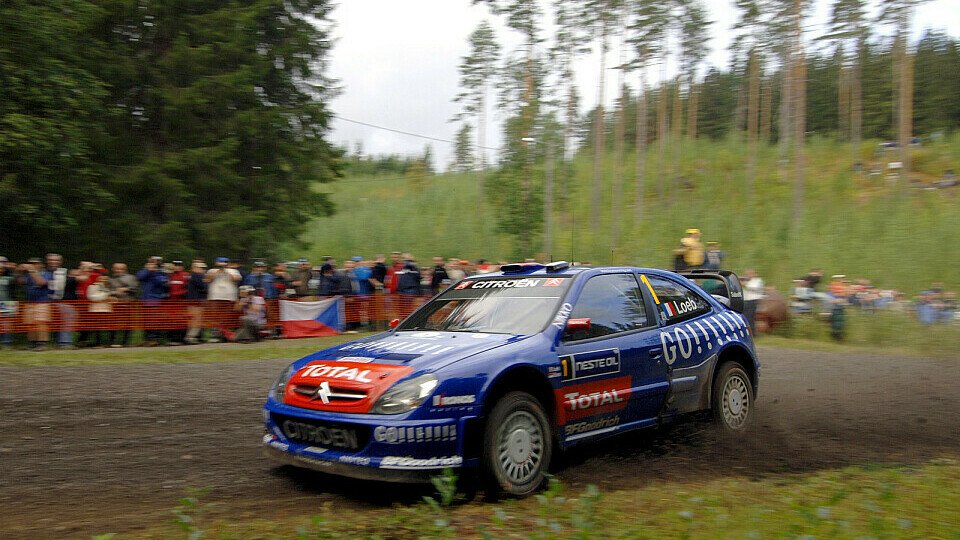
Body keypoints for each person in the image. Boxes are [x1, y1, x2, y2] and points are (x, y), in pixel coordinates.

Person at [205, 257, 241, 342]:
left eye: (224, 263)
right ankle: (215, 335)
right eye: (220, 263)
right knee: (215, 316)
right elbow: (208, 279)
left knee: (226, 317)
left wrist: (226, 271)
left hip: (229, 298)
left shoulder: (233, 271)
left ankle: (224, 334)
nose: (222, 264)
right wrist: (218, 271)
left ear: (228, 263)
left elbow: (236, 279)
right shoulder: (212, 271)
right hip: (215, 297)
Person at [136, 256, 169, 346]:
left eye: (155, 262)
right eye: (151, 262)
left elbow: (162, 282)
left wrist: (154, 272)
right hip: (145, 299)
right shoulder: (145, 271)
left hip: (155, 299)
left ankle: (154, 339)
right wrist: (148, 270)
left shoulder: (161, 272)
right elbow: (139, 277)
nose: (153, 263)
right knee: (145, 320)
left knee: (153, 320)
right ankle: (147, 339)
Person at [19, 257, 51, 350]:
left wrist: (32, 270)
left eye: (35, 263)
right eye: (30, 263)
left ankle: (42, 344)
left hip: (42, 302)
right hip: (30, 302)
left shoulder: (46, 274)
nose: (32, 265)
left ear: (40, 265)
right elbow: (20, 281)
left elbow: (41, 282)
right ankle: (32, 343)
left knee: (41, 323)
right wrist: (20, 271)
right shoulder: (28, 275)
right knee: (30, 323)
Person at [108, 263, 138, 347]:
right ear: (113, 269)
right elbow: (107, 290)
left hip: (128, 303)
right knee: (113, 323)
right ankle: (113, 342)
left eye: (121, 269)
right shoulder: (110, 279)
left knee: (128, 323)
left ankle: (126, 342)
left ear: (125, 269)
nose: (119, 271)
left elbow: (135, 288)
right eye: (117, 269)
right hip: (115, 304)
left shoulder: (131, 277)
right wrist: (113, 294)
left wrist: (126, 289)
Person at [84, 273, 113, 347]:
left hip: (106, 309)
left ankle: (108, 343)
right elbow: (92, 297)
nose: (103, 280)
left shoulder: (108, 287)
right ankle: (97, 343)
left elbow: (110, 297)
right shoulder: (92, 286)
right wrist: (105, 296)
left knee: (108, 327)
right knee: (96, 328)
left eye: (105, 278)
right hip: (96, 310)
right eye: (101, 278)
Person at [167, 260, 191, 344]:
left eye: (178, 265)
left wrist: (178, 293)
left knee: (182, 320)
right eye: (175, 265)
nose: (177, 267)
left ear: (182, 267)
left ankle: (182, 338)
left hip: (182, 302)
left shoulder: (186, 275)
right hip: (171, 303)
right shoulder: (170, 276)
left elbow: (188, 288)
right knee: (172, 320)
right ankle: (173, 339)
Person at [184, 260, 208, 344]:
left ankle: (190, 337)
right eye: (201, 268)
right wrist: (205, 281)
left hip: (193, 300)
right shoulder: (197, 276)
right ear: (195, 268)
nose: (203, 270)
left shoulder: (192, 276)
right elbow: (204, 287)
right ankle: (190, 337)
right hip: (196, 301)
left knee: (193, 319)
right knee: (196, 320)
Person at [0, 257, 18, 348]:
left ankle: (7, 344)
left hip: (8, 303)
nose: (1, 265)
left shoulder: (10, 277)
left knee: (7, 325)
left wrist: (13, 269)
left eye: (3, 263)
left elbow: (17, 280)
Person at [742, 269, 765, 334]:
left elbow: (754, 288)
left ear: (754, 274)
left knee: (750, 317)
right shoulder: (750, 281)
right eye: (747, 274)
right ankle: (749, 331)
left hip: (754, 301)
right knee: (747, 316)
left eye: (749, 274)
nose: (748, 275)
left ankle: (752, 332)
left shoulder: (758, 281)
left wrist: (745, 284)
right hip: (748, 301)